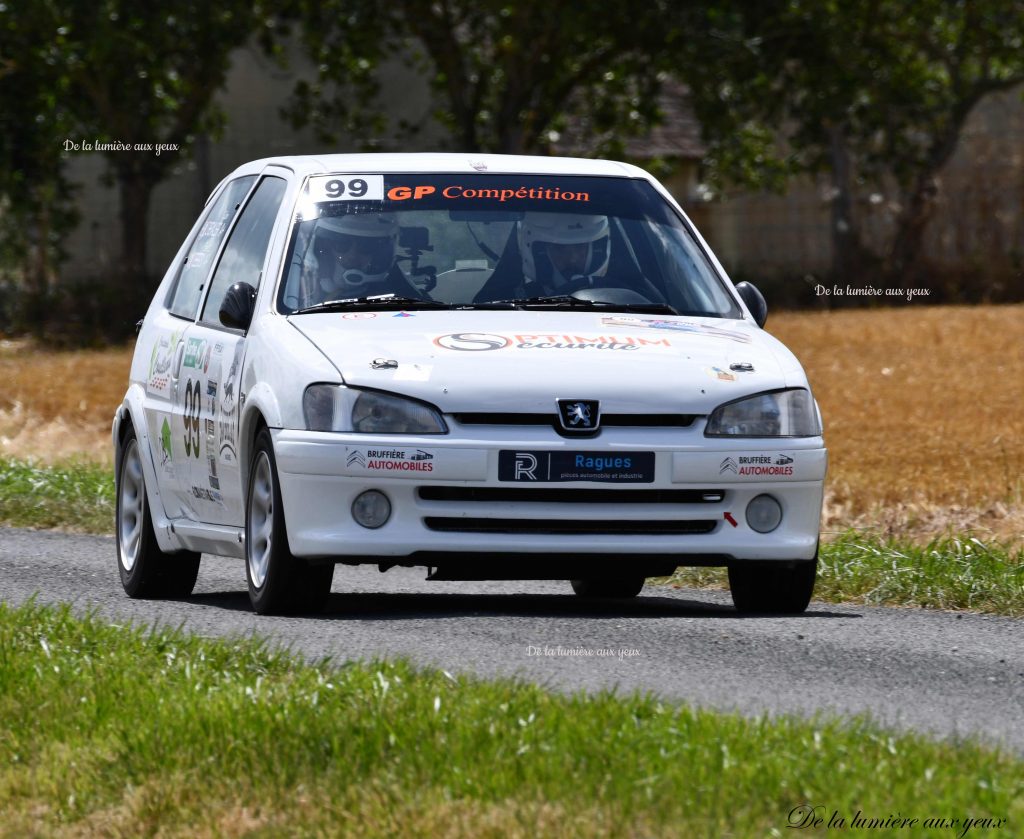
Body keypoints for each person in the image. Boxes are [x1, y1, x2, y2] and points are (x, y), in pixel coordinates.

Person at [309, 212, 402, 300]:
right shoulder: (305, 290)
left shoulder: (396, 296)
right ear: (328, 249)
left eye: (365, 247)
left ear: (378, 253)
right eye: (342, 244)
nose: (352, 255)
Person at [518, 212, 611, 294]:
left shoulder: (617, 298)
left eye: (579, 247)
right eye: (560, 248)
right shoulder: (518, 303)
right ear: (540, 253)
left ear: (595, 251)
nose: (573, 259)